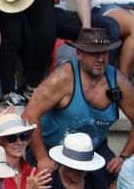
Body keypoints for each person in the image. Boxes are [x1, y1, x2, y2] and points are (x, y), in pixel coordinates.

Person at [24, 27, 134, 175]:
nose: (101, 59)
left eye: (104, 52)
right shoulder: (62, 77)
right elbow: (29, 115)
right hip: (52, 149)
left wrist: (124, 157)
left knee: (120, 180)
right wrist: (42, 157)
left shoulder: (118, 80)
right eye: (94, 53)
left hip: (92, 152)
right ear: (79, 54)